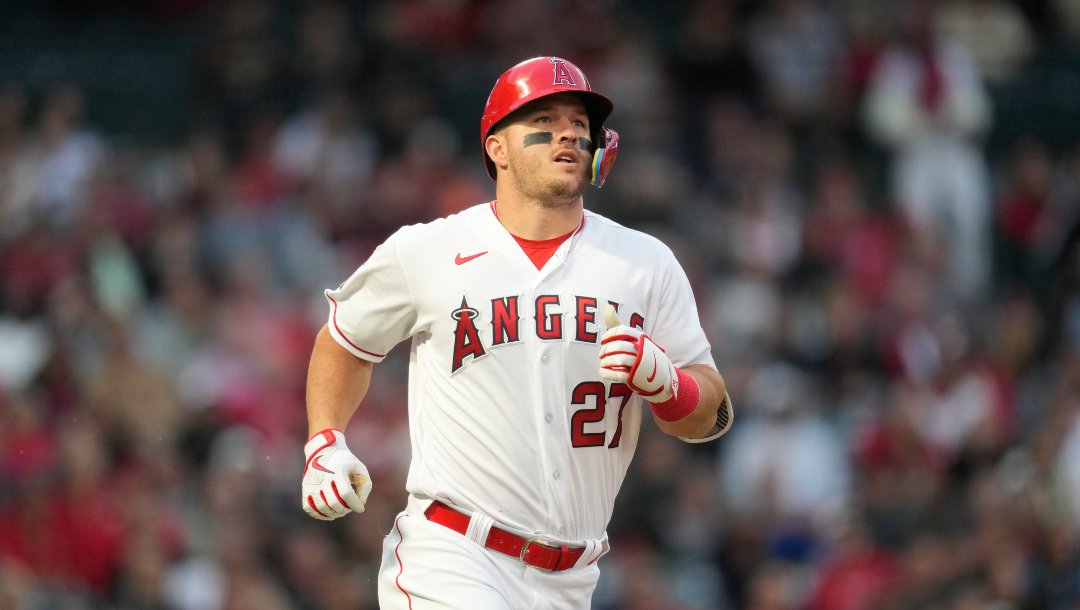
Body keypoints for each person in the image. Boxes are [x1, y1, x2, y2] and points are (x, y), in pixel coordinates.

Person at [300, 56, 734, 609]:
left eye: (580, 124)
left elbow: (713, 418)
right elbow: (344, 341)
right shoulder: (428, 250)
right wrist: (324, 442)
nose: (569, 135)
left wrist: (670, 385)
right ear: (496, 149)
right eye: (544, 122)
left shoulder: (644, 263)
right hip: (453, 553)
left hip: (573, 578)